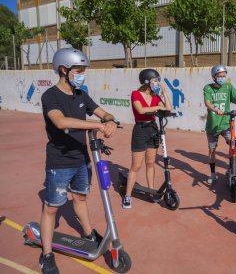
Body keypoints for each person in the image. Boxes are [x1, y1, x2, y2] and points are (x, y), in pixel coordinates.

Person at [40, 48, 118, 274]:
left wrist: (110, 120)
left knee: (81, 198)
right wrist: (97, 125)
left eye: (84, 70)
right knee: (52, 209)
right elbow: (61, 122)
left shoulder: (81, 94)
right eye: (79, 70)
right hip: (59, 162)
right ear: (64, 70)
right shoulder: (50, 96)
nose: (82, 74)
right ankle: (46, 255)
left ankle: (88, 233)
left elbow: (102, 113)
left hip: (82, 158)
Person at [123, 69, 172, 209]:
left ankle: (151, 190)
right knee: (136, 166)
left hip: (153, 129)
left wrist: (163, 92)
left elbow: (168, 109)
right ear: (147, 81)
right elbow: (141, 110)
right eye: (155, 81)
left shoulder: (155, 96)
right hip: (140, 130)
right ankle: (127, 195)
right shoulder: (136, 94)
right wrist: (157, 107)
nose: (157, 83)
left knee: (150, 163)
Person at [204, 65, 236, 184]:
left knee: (233, 144)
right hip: (212, 125)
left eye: (224, 76)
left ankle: (232, 168)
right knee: (212, 150)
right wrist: (215, 110)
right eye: (219, 76)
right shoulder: (208, 88)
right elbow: (207, 102)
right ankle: (213, 174)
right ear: (214, 77)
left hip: (225, 124)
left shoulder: (228, 86)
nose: (222, 78)